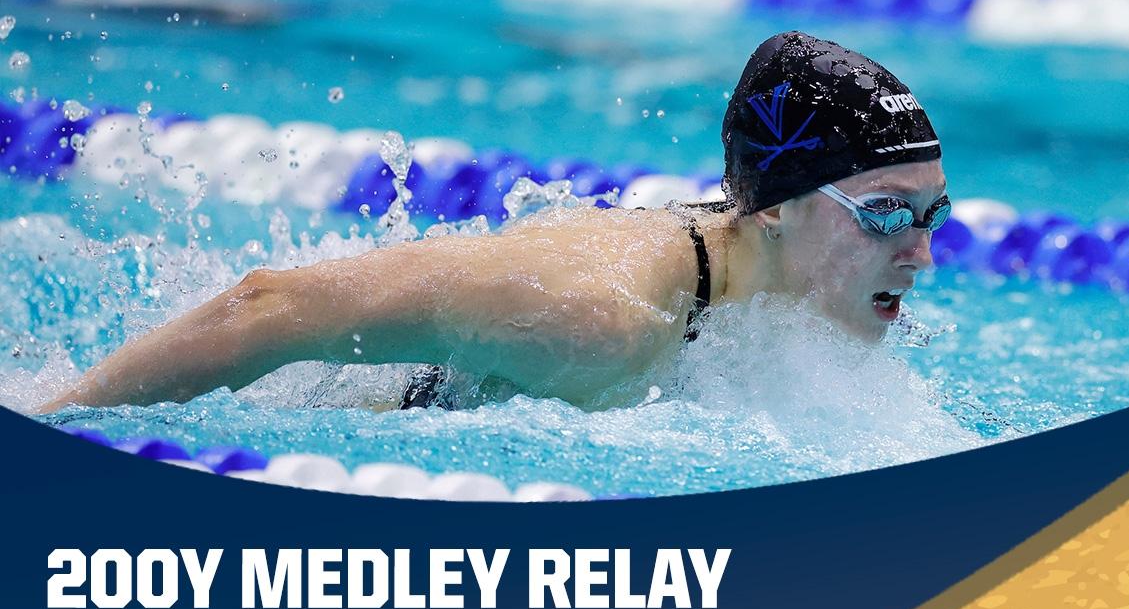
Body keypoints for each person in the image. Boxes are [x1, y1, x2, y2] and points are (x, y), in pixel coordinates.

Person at [40, 31, 948, 414]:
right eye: (885, 215)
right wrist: (57, 427)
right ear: (778, 209)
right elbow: (268, 305)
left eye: (933, 215)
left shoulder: (783, 286)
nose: (922, 254)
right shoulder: (598, 314)